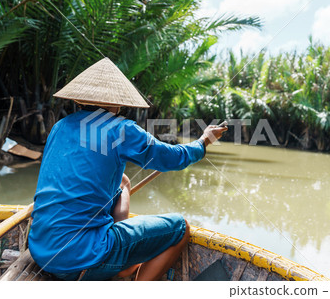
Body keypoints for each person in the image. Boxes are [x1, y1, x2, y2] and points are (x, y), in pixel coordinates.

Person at [28, 58, 227, 281]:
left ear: (81, 99)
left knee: (122, 182)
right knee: (180, 227)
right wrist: (203, 141)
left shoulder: (59, 126)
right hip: (76, 257)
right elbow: (173, 158)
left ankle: (120, 253)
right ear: (117, 103)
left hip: (41, 250)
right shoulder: (120, 129)